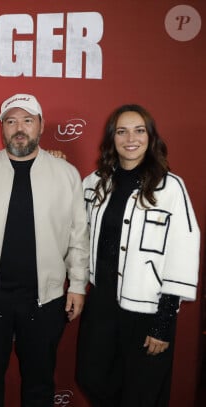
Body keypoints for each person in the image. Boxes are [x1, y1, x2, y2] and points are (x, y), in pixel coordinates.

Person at [0, 93, 89, 406]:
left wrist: (77, 285)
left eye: (27, 120)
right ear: (2, 128)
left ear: (41, 126)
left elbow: (78, 236)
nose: (19, 128)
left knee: (39, 383)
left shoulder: (67, 175)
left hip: (45, 298)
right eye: (11, 121)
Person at [76, 104, 200, 406]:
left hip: (147, 310)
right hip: (102, 304)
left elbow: (184, 251)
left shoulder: (170, 187)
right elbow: (75, 235)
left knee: (142, 393)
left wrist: (164, 322)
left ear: (150, 137)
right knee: (94, 379)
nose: (130, 138)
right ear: (112, 138)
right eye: (122, 131)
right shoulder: (95, 182)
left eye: (139, 130)